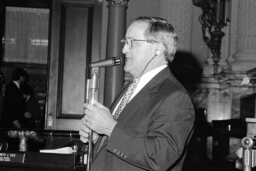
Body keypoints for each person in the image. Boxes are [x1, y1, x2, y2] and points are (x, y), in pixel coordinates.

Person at [79, 16, 195, 171]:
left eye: (131, 42)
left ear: (158, 48)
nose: (124, 50)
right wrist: (98, 138)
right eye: (125, 42)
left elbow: (160, 157)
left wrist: (109, 128)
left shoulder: (175, 97)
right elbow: (125, 138)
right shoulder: (131, 87)